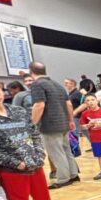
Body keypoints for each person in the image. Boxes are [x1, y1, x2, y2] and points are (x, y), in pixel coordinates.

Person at [0, 81, 69, 200]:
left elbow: (34, 133)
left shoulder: (18, 111)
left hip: (34, 164)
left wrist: (38, 154)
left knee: (42, 196)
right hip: (12, 169)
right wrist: (16, 163)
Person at [29, 61, 80, 189]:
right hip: (64, 123)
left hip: (50, 125)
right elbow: (68, 104)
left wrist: (32, 124)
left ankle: (63, 178)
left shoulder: (37, 84)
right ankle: (73, 174)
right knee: (66, 150)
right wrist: (71, 120)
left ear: (31, 72)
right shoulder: (57, 84)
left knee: (56, 153)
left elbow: (39, 105)